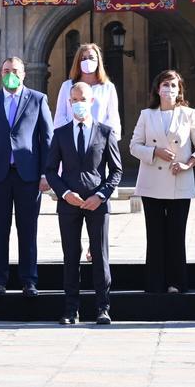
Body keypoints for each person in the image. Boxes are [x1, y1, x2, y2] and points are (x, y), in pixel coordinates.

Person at [0, 56, 52, 297]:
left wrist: (45, 174)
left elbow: (46, 139)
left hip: (28, 175)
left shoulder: (38, 100)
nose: (10, 74)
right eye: (6, 70)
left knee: (28, 230)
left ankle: (29, 280)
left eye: (15, 70)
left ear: (23, 74)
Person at [46, 82, 123, 325]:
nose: (79, 103)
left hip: (96, 202)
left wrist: (101, 195)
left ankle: (103, 307)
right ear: (69, 103)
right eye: (74, 99)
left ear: (92, 102)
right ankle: (71, 309)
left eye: (83, 99)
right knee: (71, 255)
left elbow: (116, 171)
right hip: (69, 202)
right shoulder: (61, 133)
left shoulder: (105, 132)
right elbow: (50, 170)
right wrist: (64, 193)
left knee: (100, 254)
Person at [130, 70, 195, 293]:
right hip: (151, 182)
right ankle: (154, 283)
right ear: (158, 88)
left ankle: (177, 282)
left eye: (174, 86)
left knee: (176, 235)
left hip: (179, 181)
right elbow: (134, 146)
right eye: (165, 85)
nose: (170, 90)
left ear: (180, 90)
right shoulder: (146, 115)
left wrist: (189, 163)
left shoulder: (188, 114)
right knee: (154, 235)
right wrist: (154, 151)